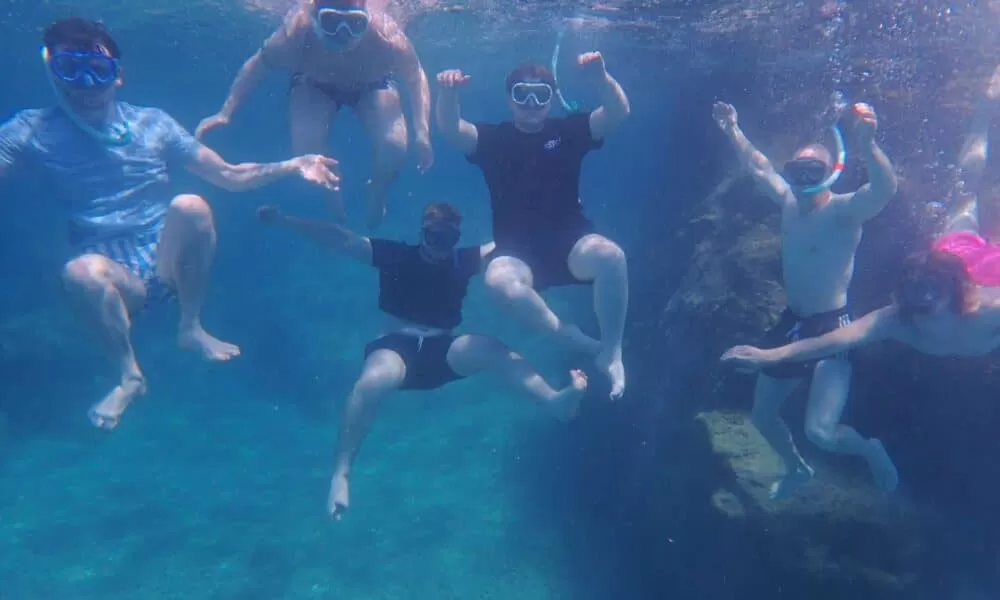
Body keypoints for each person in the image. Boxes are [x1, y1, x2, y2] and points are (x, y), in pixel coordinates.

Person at [0, 18, 340, 430]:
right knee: (79, 272)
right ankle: (129, 375)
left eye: (99, 69)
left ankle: (191, 326)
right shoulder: (31, 130)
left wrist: (293, 164)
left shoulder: (153, 125)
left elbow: (230, 176)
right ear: (53, 73)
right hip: (113, 278)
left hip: (167, 264)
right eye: (70, 69)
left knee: (191, 204)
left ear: (118, 77)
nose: (87, 84)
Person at [256, 202, 588, 519]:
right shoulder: (396, 255)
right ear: (422, 231)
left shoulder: (461, 261)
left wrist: (563, 229)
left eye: (448, 239)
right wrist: (287, 221)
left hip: (442, 351)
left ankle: (554, 402)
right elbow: (341, 239)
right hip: (394, 346)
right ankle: (341, 474)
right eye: (434, 236)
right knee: (374, 381)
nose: (440, 246)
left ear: (456, 238)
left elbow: (511, 244)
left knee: (489, 348)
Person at [711, 99, 900, 498]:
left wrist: (868, 146)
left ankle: (870, 451)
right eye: (796, 170)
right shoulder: (787, 202)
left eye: (812, 169)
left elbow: (884, 189)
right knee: (762, 416)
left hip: (834, 326)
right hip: (793, 321)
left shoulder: (846, 211)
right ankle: (797, 469)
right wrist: (732, 129)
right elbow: (759, 166)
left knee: (821, 432)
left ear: (832, 172)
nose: (801, 178)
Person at [435, 55, 630, 399]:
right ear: (509, 99)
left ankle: (611, 352)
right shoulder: (493, 139)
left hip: (572, 243)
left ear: (552, 98)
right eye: (523, 95)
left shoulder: (568, 131)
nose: (531, 104)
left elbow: (617, 112)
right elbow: (452, 128)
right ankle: (564, 333)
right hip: (516, 251)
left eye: (540, 95)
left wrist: (601, 77)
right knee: (498, 282)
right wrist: (448, 93)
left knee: (611, 257)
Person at [197, 0, 432, 229]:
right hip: (314, 84)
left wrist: (422, 131)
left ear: (367, 18)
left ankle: (378, 189)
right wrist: (225, 112)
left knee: (394, 147)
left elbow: (415, 75)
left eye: (355, 23)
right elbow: (258, 65)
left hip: (374, 83)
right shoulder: (296, 32)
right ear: (313, 15)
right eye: (331, 21)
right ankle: (331, 191)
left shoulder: (386, 36)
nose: (344, 33)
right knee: (307, 147)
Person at [721, 249, 1000, 368]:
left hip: (983, 269)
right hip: (950, 259)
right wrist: (769, 356)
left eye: (934, 289)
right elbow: (832, 341)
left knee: (970, 219)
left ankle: (976, 135)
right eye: (915, 289)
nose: (925, 299)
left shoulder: (988, 311)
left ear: (953, 289)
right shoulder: (895, 320)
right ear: (903, 292)